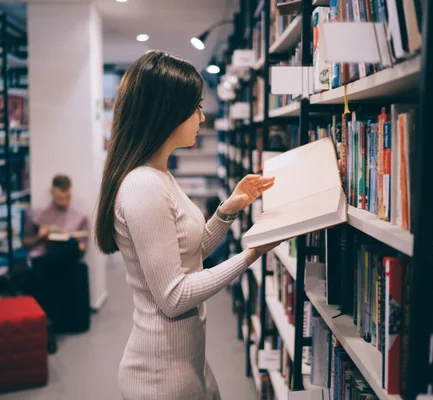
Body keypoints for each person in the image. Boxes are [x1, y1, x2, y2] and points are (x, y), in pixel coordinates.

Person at [95, 51, 281, 400]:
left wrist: (228, 210)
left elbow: (186, 252)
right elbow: (174, 297)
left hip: (183, 359)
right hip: (160, 374)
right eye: (195, 106)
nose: (201, 117)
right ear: (168, 111)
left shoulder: (160, 174)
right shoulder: (143, 185)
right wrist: (250, 255)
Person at [23, 174, 90, 353]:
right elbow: (25, 243)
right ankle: (47, 328)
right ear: (52, 192)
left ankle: (48, 327)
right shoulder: (37, 214)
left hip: (65, 259)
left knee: (69, 246)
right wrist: (40, 236)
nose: (65, 201)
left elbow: (84, 249)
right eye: (61, 198)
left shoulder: (80, 215)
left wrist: (78, 245)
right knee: (42, 266)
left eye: (68, 197)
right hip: (46, 256)